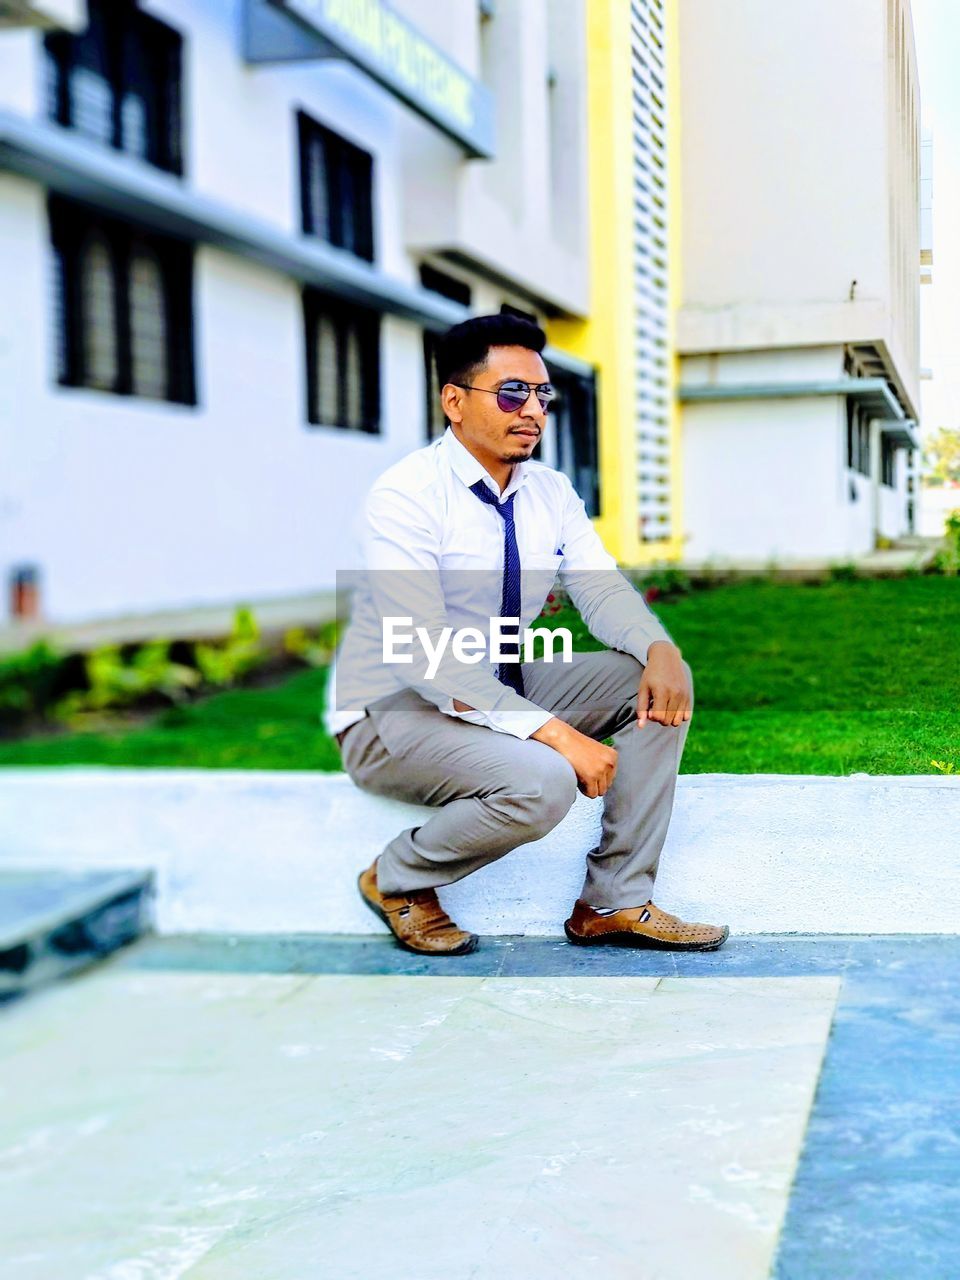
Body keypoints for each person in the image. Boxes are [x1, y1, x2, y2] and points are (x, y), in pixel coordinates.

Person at [326, 313, 729, 956]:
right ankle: (398, 877)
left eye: (543, 395)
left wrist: (660, 648)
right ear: (454, 402)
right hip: (390, 709)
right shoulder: (404, 497)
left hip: (494, 680)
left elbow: (597, 587)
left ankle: (613, 901)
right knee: (544, 781)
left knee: (645, 683)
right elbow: (422, 655)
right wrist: (558, 734)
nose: (533, 410)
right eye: (512, 393)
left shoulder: (549, 490)